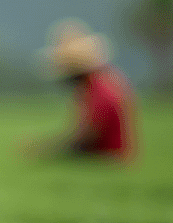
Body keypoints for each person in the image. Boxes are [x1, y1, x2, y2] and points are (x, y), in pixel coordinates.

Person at [27, 19, 135, 160]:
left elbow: (89, 136)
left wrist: (46, 150)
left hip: (108, 158)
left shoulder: (99, 90)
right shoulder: (100, 84)